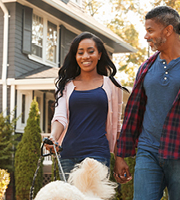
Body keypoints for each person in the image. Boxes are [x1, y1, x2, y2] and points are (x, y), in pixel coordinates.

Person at [113, 6, 180, 200]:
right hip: (148, 151)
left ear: (168, 30)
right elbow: (134, 113)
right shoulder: (146, 67)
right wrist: (120, 155)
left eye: (150, 30)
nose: (146, 36)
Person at [46, 32, 128, 179]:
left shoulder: (112, 86)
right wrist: (53, 137)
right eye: (80, 52)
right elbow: (60, 117)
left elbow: (117, 126)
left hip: (98, 155)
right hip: (68, 155)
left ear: (99, 54)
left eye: (91, 51)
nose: (85, 57)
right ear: (75, 56)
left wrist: (119, 158)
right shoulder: (66, 86)